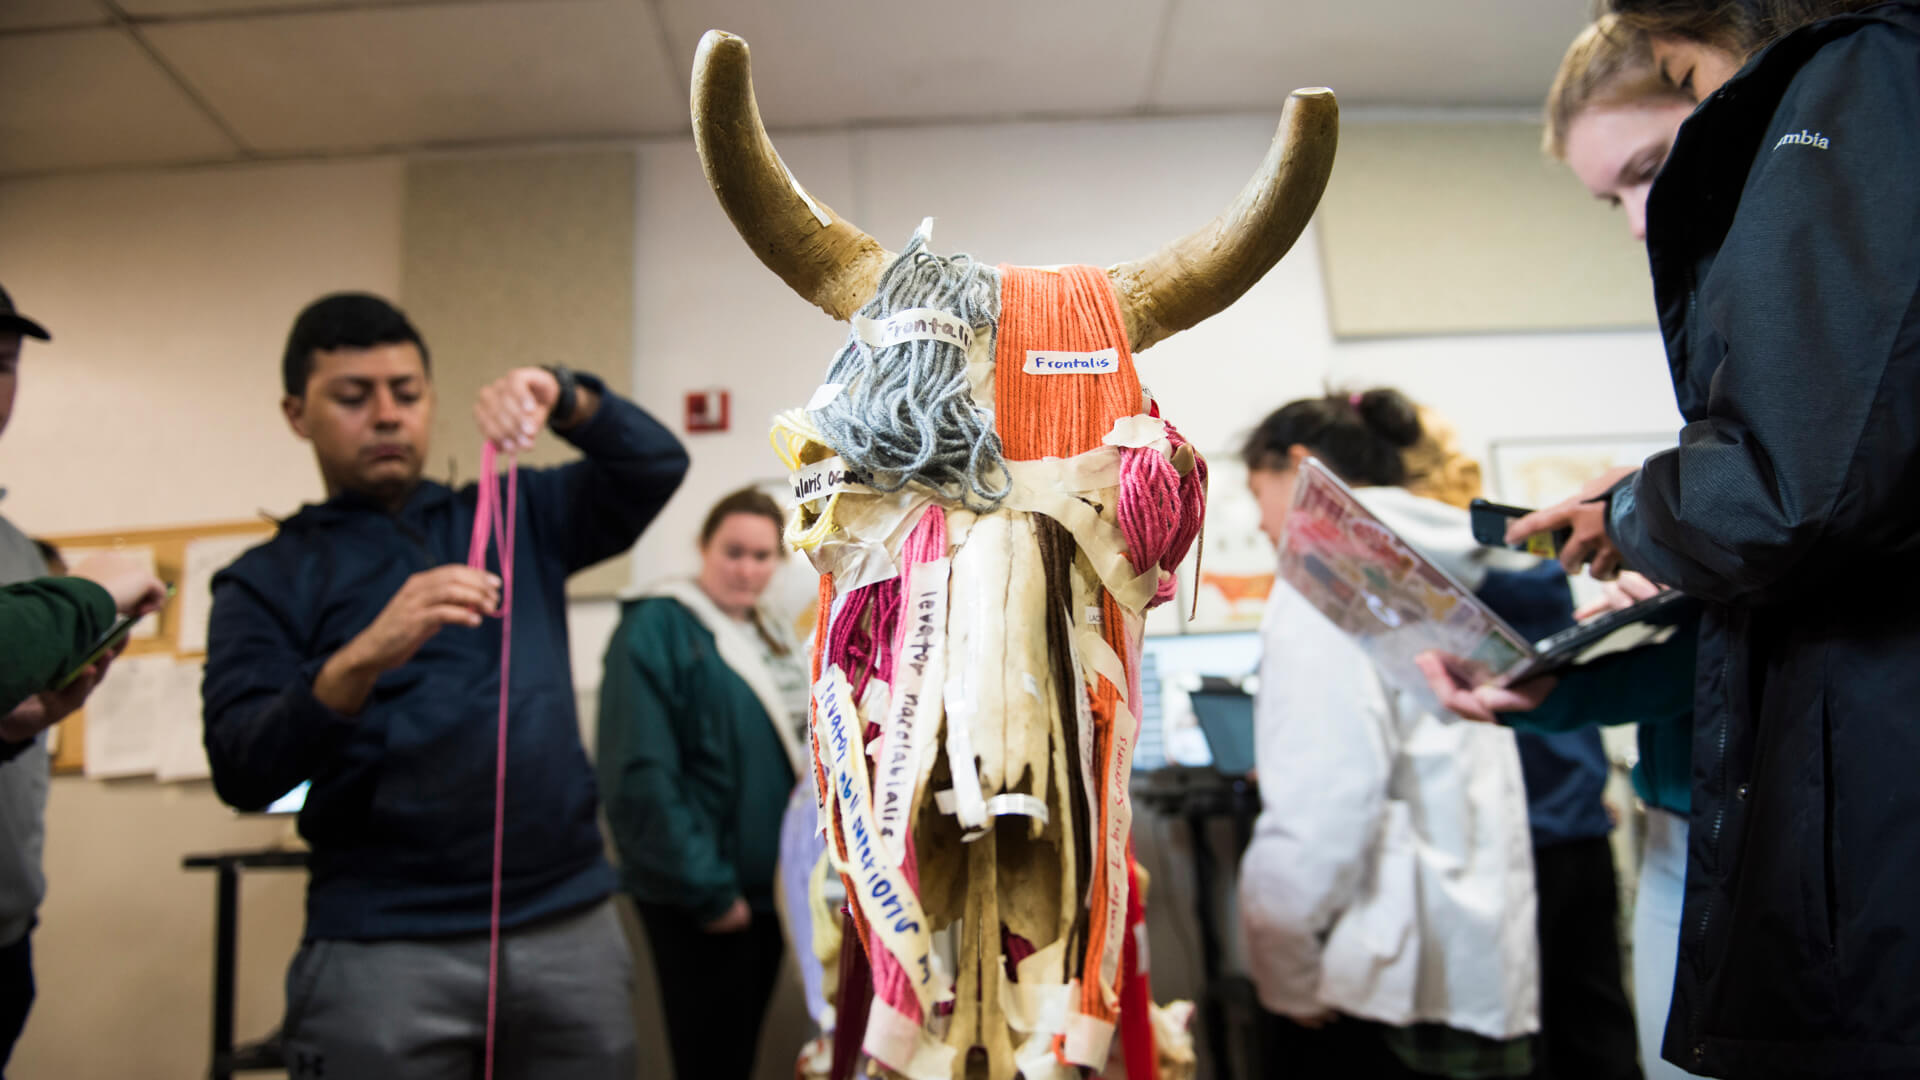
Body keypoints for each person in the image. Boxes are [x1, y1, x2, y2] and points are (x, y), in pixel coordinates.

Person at [1428, 3, 1920, 1074]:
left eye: (1654, 167)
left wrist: (1645, 513)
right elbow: (1765, 597)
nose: (1642, 224)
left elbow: (1789, 513)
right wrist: (1582, 664)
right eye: (1614, 197)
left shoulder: (1869, 85)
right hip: (1731, 831)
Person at [201, 292, 688, 1079]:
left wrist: (563, 393)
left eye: (406, 392)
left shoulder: (518, 511)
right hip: (381, 943)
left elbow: (655, 464)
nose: (386, 415)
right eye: (353, 397)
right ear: (297, 414)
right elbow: (242, 766)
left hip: (566, 922)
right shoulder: (265, 579)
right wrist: (360, 658)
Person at [1237, 389, 1541, 1079]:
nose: (1258, 521)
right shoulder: (1448, 557)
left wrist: (1284, 963)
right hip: (1473, 953)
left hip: (1379, 970)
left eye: (1257, 492)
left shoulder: (1327, 568)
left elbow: (1326, 798)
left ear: (1301, 465)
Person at [1402, 409, 1642, 1080]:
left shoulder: (1455, 577)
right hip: (1573, 814)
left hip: (1518, 831)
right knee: (1593, 1017)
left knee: (1531, 1027)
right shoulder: (1526, 565)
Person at [597, 488, 809, 1080]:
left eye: (762, 556)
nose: (747, 569)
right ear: (703, 547)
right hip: (707, 896)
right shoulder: (657, 625)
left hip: (768, 890)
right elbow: (639, 775)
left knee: (738, 1051)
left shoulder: (769, 631)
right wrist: (706, 890)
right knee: (710, 1058)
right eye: (733, 552)